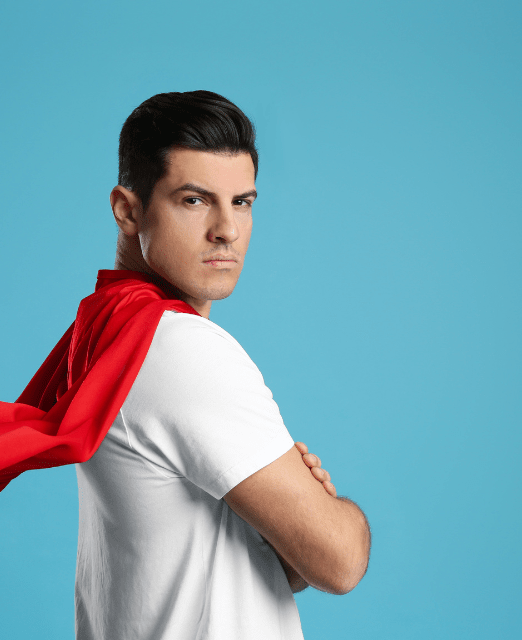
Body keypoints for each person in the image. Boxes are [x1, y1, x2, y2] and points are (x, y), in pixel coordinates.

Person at [73, 90, 371, 639]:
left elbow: (223, 557)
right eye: (194, 200)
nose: (227, 230)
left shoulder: (111, 333)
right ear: (127, 208)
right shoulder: (178, 349)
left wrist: (290, 539)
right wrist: (331, 514)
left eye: (242, 202)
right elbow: (341, 561)